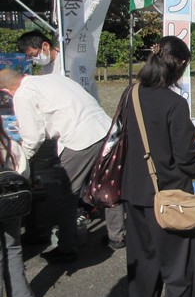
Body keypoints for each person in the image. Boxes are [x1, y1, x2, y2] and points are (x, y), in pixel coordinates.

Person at [120, 37, 195, 297]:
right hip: (169, 195)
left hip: (134, 191)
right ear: (179, 64)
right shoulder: (174, 103)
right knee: (178, 264)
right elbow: (185, 157)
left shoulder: (132, 95)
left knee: (144, 261)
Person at [0, 68, 117, 262]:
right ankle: (117, 235)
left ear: (6, 91)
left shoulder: (22, 94)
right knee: (108, 185)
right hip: (105, 128)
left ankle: (66, 248)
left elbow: (33, 136)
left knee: (66, 194)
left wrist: (20, 163)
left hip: (81, 139)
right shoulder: (51, 78)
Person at [0, 124, 35, 297]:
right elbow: (24, 173)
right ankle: (22, 296)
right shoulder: (10, 144)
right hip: (12, 204)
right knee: (13, 247)